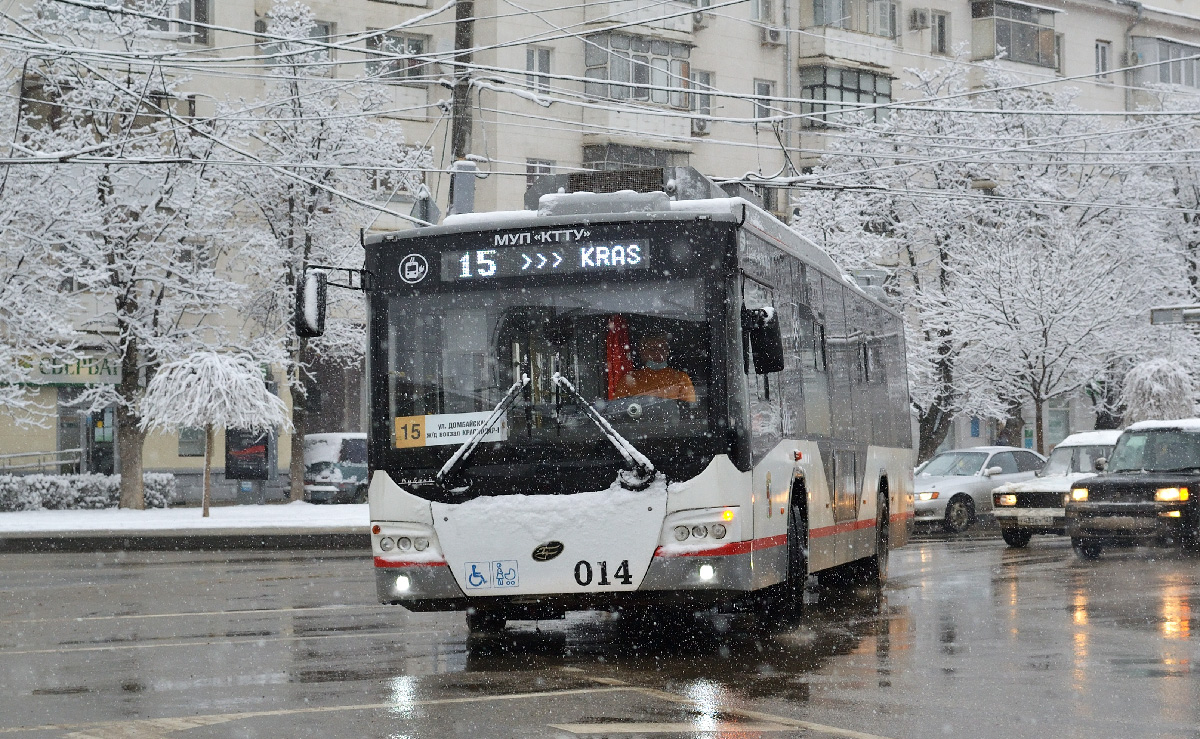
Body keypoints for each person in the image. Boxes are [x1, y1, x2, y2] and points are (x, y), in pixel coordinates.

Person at [613, 332, 696, 403]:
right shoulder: (628, 380)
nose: (658, 353)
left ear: (667, 351)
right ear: (642, 352)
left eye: (662, 348)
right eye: (653, 349)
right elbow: (618, 411)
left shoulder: (681, 378)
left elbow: (688, 412)